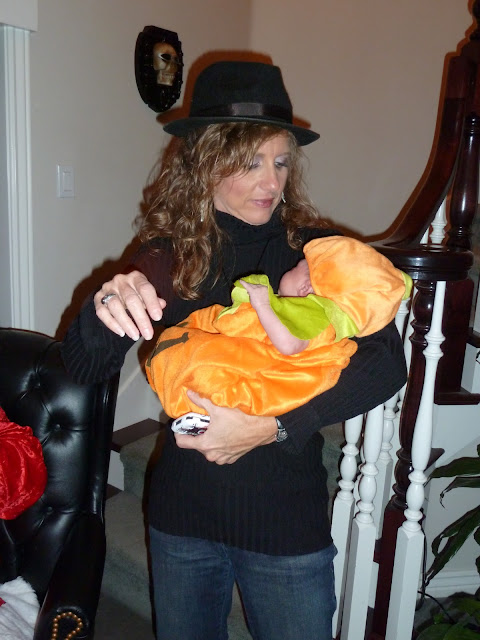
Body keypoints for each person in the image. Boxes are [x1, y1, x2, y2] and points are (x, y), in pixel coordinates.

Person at [60, 60, 407, 640]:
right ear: (205, 163)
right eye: (250, 162)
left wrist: (274, 427)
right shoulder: (170, 256)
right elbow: (84, 366)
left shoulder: (313, 254)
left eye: (280, 162)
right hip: (181, 518)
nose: (271, 182)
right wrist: (105, 308)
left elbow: (387, 362)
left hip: (284, 524)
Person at [146, 235, 411, 419]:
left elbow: (289, 346)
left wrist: (262, 304)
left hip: (259, 388)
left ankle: (201, 407)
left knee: (205, 365)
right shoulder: (313, 311)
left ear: (307, 287)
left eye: (298, 266)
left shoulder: (315, 312)